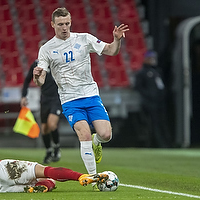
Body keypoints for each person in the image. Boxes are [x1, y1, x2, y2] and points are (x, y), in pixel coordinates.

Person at [33, 7, 129, 182]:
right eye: (60, 24)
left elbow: (111, 50)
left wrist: (117, 40)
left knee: (106, 135)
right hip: (70, 99)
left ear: (71, 22)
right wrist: (37, 77)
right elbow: (41, 80)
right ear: (52, 24)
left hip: (91, 95)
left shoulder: (84, 38)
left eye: (67, 23)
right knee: (83, 134)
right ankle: (93, 177)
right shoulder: (46, 49)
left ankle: (97, 141)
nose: (64, 27)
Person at [0, 133, 109, 193]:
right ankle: (82, 177)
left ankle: (45, 185)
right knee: (46, 170)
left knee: (48, 182)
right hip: (2, 169)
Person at [21, 40, 62, 164]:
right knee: (44, 129)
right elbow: (27, 80)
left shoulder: (56, 62)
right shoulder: (37, 64)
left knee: (52, 124)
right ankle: (49, 151)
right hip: (44, 99)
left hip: (56, 98)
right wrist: (24, 96)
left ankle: (57, 147)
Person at [134, 50, 172, 148]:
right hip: (150, 103)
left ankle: (167, 143)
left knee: (162, 123)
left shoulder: (157, 71)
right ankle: (158, 144)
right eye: (151, 58)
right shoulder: (142, 73)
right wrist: (149, 96)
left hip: (160, 102)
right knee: (153, 124)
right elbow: (138, 87)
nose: (153, 60)